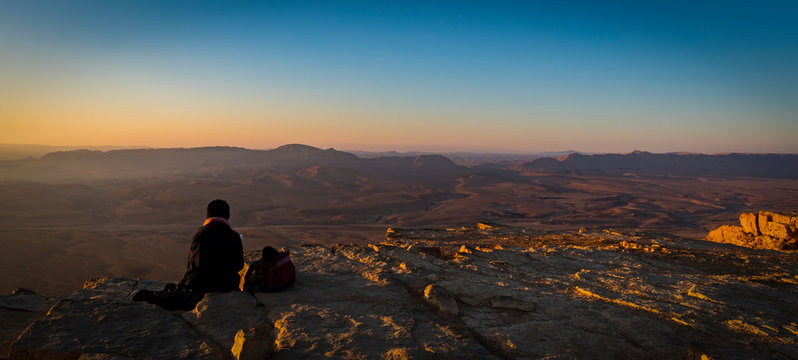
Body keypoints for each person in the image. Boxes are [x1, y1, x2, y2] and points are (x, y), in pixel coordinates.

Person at [133, 199, 244, 310]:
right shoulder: (234, 236)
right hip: (226, 287)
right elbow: (239, 265)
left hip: (198, 287)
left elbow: (193, 266)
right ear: (227, 215)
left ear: (208, 215)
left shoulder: (199, 235)